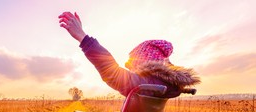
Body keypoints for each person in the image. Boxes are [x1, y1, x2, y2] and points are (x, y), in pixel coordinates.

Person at [58, 12, 200, 98]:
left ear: (146, 62)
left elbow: (111, 72)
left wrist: (82, 37)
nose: (132, 69)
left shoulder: (146, 85)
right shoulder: (167, 86)